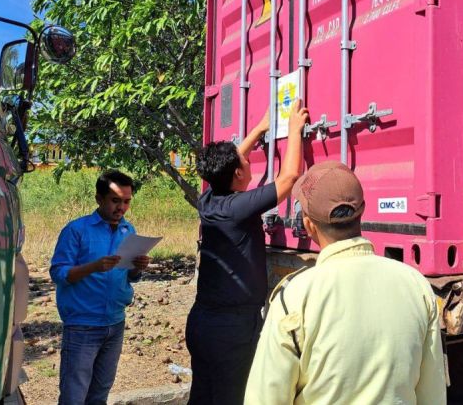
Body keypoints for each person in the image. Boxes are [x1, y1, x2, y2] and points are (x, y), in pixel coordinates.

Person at [244, 161, 447, 405]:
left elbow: (266, 398)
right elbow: (432, 395)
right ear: (362, 211)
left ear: (309, 226)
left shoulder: (295, 297)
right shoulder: (416, 285)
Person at [186, 100, 309, 404]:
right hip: (231, 329)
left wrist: (260, 128)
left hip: (202, 322)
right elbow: (289, 177)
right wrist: (294, 129)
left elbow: (231, 162)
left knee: (202, 395)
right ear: (238, 175)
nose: (247, 162)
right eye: (243, 164)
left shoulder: (209, 199)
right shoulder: (238, 207)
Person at [50, 169, 151, 405]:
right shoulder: (76, 230)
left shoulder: (129, 230)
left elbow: (130, 277)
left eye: (126, 202)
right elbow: (58, 273)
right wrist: (92, 267)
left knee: (100, 393)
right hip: (82, 326)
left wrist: (138, 266)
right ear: (99, 198)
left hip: (115, 323)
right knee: (74, 396)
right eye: (115, 201)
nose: (122, 208)